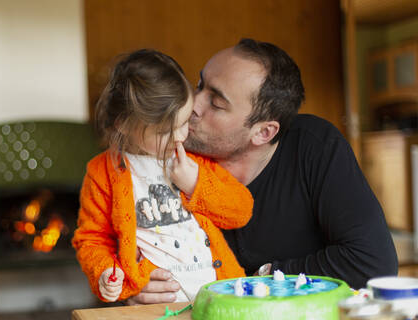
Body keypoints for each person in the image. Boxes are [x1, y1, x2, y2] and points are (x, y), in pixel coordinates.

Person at [126, 38, 398, 304]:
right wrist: (133, 285)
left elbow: (372, 263)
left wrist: (265, 278)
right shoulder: (164, 148)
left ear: (263, 132)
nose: (193, 104)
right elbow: (112, 243)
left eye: (216, 103)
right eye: (199, 86)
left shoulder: (314, 146)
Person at [71, 49, 253, 303]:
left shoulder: (193, 162)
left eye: (184, 122)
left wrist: (195, 184)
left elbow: (240, 211)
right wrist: (105, 272)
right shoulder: (102, 172)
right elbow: (92, 238)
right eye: (165, 131)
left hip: (220, 297)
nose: (180, 137)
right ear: (123, 124)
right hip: (156, 306)